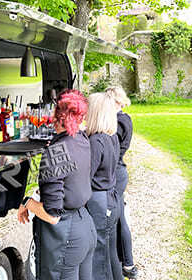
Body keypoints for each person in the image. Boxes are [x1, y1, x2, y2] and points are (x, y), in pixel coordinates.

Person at [18, 89, 97, 280]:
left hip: (66, 238)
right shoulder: (82, 139)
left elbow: (52, 216)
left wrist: (27, 202)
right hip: (86, 226)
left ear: (57, 116)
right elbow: (68, 182)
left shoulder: (54, 152)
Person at [85, 92, 123, 280]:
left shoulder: (96, 141)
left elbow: (86, 177)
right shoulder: (112, 137)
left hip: (98, 201)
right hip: (110, 198)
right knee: (109, 251)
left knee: (98, 258)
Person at [106, 87, 138, 279]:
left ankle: (127, 264)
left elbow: (112, 149)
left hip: (116, 172)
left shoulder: (119, 121)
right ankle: (123, 262)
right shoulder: (122, 119)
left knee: (119, 219)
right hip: (117, 171)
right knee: (118, 218)